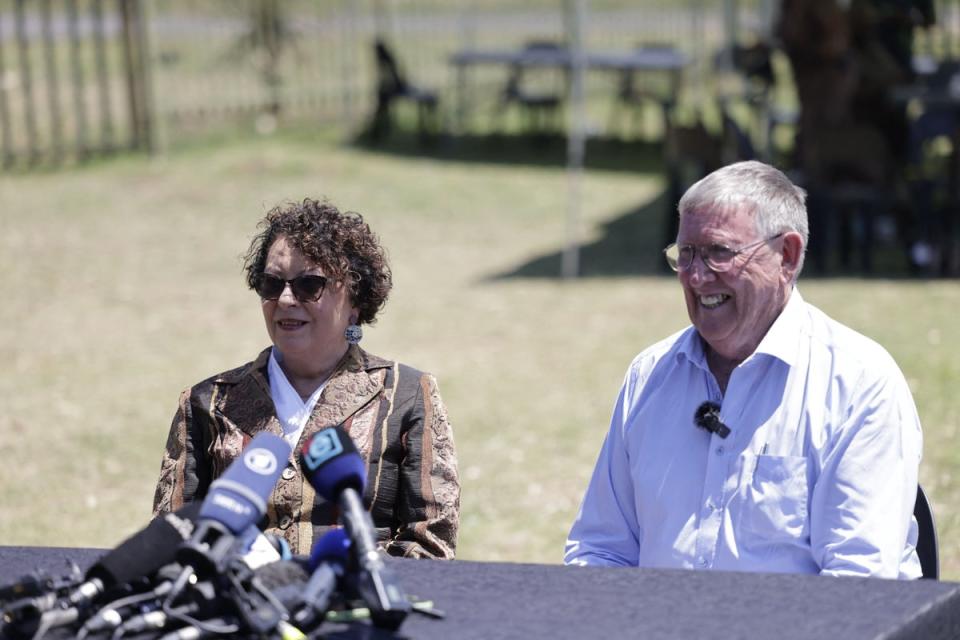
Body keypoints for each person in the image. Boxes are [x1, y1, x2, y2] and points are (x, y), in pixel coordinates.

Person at [564, 161, 923, 577]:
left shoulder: (858, 383)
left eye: (719, 252)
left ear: (786, 255)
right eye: (686, 254)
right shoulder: (650, 377)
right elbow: (601, 548)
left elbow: (857, 583)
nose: (697, 276)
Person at [153, 198, 460, 559]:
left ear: (355, 303)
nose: (285, 299)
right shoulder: (206, 402)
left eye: (308, 285)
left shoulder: (408, 395)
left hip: (354, 606)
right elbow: (169, 537)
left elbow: (430, 544)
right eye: (271, 283)